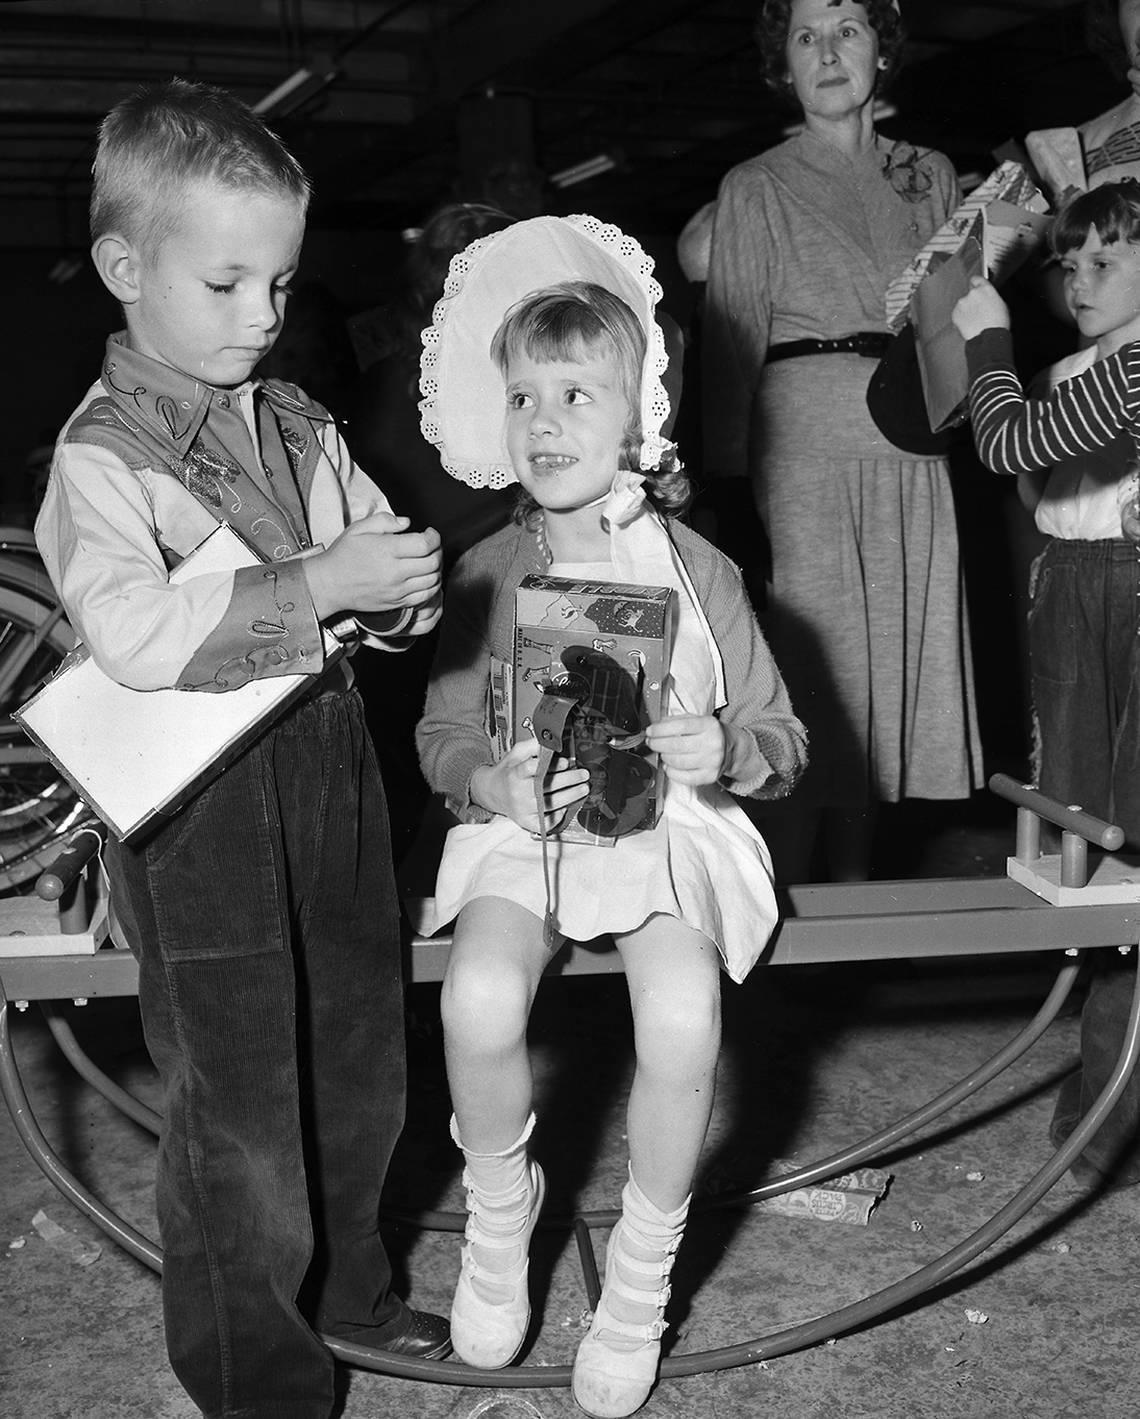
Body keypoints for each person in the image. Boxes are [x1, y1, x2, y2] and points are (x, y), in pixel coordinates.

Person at [33, 78, 451, 1419]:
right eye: (226, 283)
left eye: (278, 281)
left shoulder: (301, 421)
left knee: (360, 1050)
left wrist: (400, 597)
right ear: (124, 266)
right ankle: (257, 1373)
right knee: (240, 1093)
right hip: (198, 799)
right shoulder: (100, 458)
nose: (265, 315)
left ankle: (355, 1295)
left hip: (328, 759)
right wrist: (326, 583)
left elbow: (365, 586)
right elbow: (141, 636)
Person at [414, 215, 808, 1417]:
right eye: (524, 396)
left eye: (578, 393)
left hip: (666, 825)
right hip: (526, 828)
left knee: (684, 1019)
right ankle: (500, 1214)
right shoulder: (485, 572)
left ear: (640, 413)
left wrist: (723, 745)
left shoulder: (701, 570)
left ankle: (637, 1281)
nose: (546, 423)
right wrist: (490, 780)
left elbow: (786, 744)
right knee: (478, 995)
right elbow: (440, 738)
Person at [701, 0, 983, 882]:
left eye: (849, 29)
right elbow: (731, 338)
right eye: (806, 35)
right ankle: (778, 891)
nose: (828, 52)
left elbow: (953, 315)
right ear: (782, 64)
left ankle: (856, 888)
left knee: (891, 666)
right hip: (806, 437)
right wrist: (719, 475)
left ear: (882, 53)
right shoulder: (755, 182)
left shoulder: (927, 170)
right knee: (818, 668)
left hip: (910, 431)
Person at [952, 181, 1140, 1189]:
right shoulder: (1079, 366)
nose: (1079, 277)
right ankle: (1107, 1091)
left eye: (1107, 258)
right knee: (1081, 842)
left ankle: (1111, 1114)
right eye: (1070, 263)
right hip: (1072, 590)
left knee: (1129, 851)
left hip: (1130, 593)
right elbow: (1038, 481)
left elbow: (1010, 443)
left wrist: (985, 342)